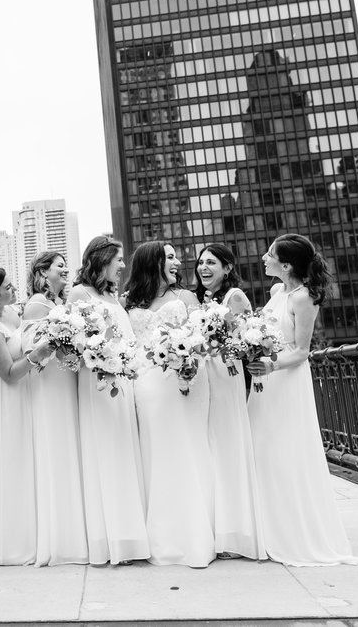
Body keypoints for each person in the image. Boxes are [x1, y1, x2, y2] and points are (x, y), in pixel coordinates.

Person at [247, 234, 358, 566]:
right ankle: (264, 529)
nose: (264, 258)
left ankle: (291, 534)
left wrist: (270, 363)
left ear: (286, 265)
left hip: (286, 381)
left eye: (270, 255)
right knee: (260, 449)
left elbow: (301, 351)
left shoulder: (304, 298)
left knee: (285, 453)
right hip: (264, 380)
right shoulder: (277, 292)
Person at [126, 241, 215, 567]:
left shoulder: (187, 298)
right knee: (156, 452)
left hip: (182, 379)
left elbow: (200, 337)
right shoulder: (131, 301)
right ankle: (161, 534)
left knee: (187, 448)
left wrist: (188, 360)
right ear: (154, 262)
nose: (178, 262)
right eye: (171, 257)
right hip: (145, 383)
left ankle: (194, 533)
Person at [67, 236, 150, 565]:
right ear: (102, 260)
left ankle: (130, 534)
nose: (122, 265)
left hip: (124, 380)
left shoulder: (113, 295)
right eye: (117, 259)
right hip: (97, 383)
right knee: (105, 452)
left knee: (125, 450)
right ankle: (108, 538)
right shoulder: (79, 294)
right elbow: (76, 340)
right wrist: (102, 358)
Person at [0, 266, 54, 565]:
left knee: (28, 461)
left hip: (24, 395)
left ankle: (34, 532)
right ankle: (13, 542)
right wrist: (38, 355)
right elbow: (8, 374)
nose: (13, 288)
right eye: (6, 287)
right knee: (11, 462)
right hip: (5, 400)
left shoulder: (13, 313)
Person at [193, 244, 265, 561]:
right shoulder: (199, 301)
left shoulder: (234, 296)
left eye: (211, 262)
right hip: (207, 380)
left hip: (228, 377)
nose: (204, 268)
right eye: (200, 263)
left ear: (227, 267)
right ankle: (215, 527)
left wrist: (222, 345)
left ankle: (235, 535)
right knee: (211, 452)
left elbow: (251, 341)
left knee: (228, 449)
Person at [21, 251, 89, 566]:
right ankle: (59, 538)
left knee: (70, 451)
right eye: (59, 266)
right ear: (42, 272)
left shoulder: (62, 306)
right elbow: (32, 352)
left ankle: (75, 530)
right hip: (50, 387)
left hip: (67, 382)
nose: (65, 270)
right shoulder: (36, 304)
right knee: (56, 450)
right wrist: (58, 345)